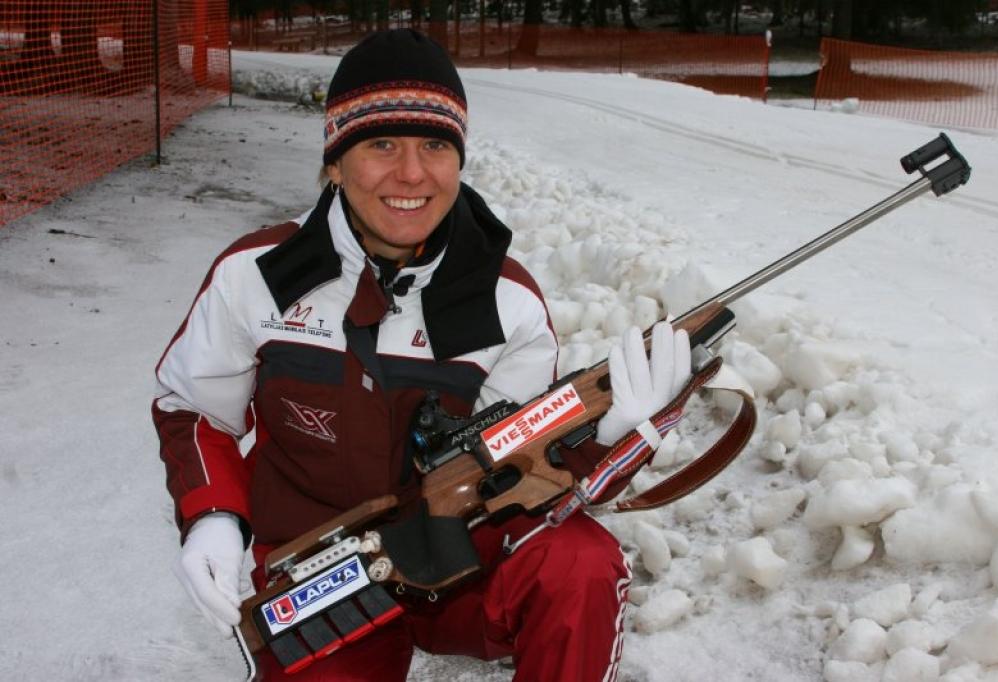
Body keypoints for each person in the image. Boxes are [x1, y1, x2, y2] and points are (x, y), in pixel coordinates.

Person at [153, 29, 690, 681]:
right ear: (334, 159)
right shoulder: (255, 275)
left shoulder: (507, 300)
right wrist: (212, 516)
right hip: (330, 573)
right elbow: (195, 411)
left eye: (435, 145)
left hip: (462, 559)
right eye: (381, 143)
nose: (411, 174)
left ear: (459, 158)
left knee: (578, 564)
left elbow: (520, 468)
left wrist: (601, 442)